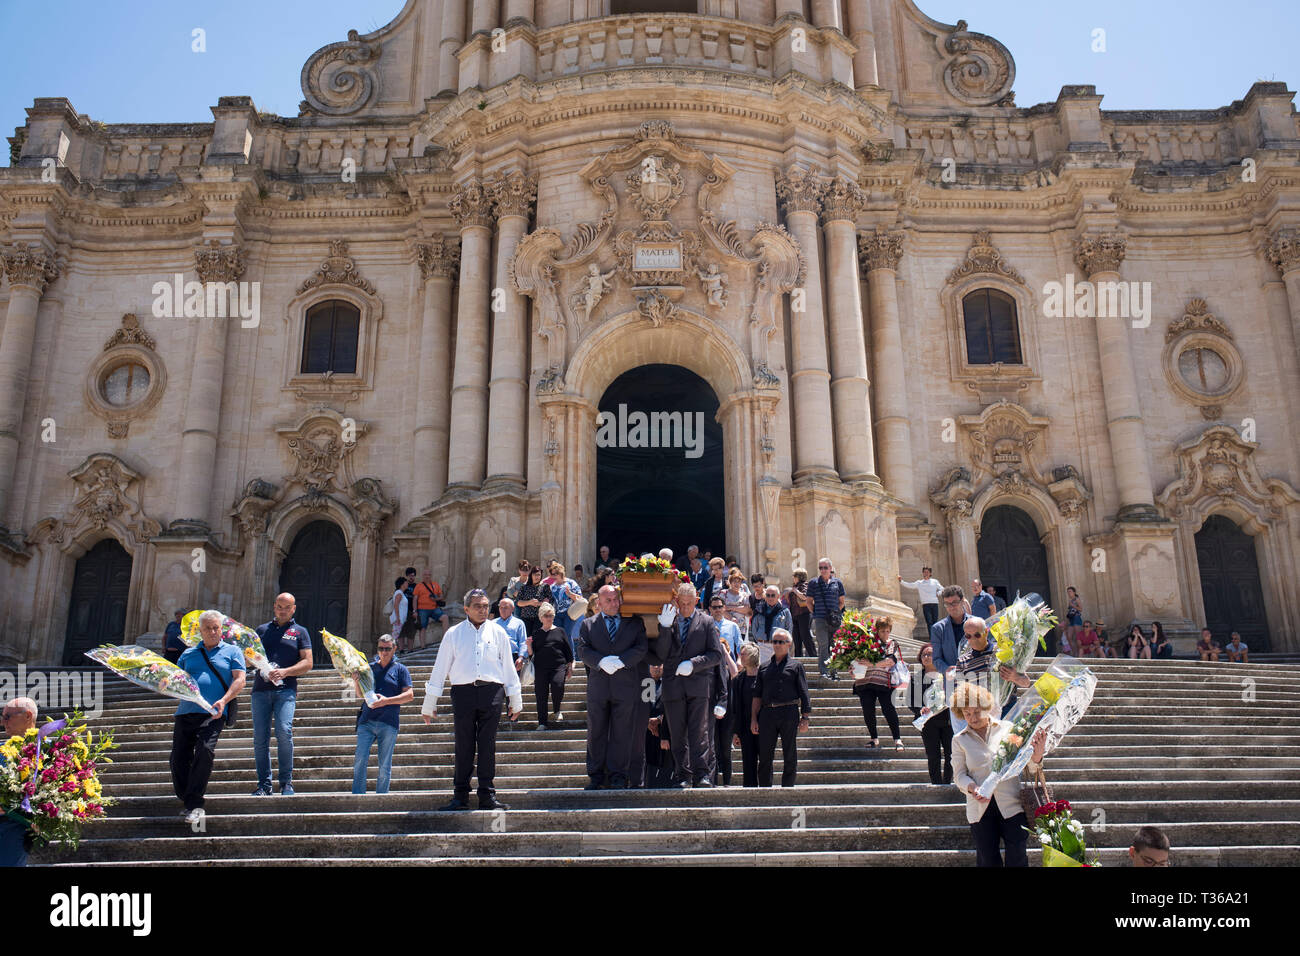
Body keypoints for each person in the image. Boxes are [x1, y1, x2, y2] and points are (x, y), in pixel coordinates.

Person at [421, 588, 523, 811]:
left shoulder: (498, 633)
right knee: (463, 744)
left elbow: (507, 667)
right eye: (477, 606)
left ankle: (487, 795)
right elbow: (440, 668)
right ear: (466, 608)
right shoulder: (453, 634)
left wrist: (515, 699)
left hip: (492, 692)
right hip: (463, 693)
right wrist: (430, 704)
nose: (483, 610)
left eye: (486, 606)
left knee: (488, 745)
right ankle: (460, 796)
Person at [950, 681, 1047, 867]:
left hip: (1012, 805)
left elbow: (1029, 767)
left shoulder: (1008, 729)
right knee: (987, 861)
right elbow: (959, 775)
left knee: (1018, 859)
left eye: (977, 711)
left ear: (987, 707)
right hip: (979, 809)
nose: (972, 717)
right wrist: (972, 788)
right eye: (967, 713)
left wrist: (1037, 755)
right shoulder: (958, 739)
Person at [172, 610, 246, 824]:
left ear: (221, 629)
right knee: (177, 760)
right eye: (208, 628)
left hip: (214, 713)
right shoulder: (188, 655)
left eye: (216, 628)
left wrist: (224, 700)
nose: (213, 632)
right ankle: (187, 799)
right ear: (200, 631)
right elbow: (177, 682)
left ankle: (195, 804)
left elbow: (240, 680)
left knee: (204, 751)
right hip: (186, 712)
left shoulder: (232, 651)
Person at [652, 582, 724, 788]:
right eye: (681, 604)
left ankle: (702, 774)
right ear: (676, 601)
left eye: (688, 604)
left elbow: (716, 654)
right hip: (674, 686)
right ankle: (682, 774)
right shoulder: (669, 621)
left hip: (698, 685)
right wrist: (664, 628)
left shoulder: (708, 622)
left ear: (696, 601)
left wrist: (693, 664)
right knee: (677, 733)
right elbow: (662, 653)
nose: (684, 608)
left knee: (699, 732)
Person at [578, 585, 648, 790]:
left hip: (625, 686)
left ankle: (618, 775)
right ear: (599, 602)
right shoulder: (588, 625)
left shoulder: (634, 623)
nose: (614, 603)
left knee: (622, 732)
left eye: (616, 599)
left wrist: (622, 661)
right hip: (599, 687)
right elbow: (582, 649)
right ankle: (596, 775)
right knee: (596, 732)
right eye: (608, 600)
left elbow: (641, 647)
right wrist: (600, 662)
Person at [251, 593, 313, 796]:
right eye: (279, 606)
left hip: (285, 690)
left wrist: (285, 672)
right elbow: (248, 658)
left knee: (284, 732)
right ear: (274, 607)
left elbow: (308, 662)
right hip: (260, 690)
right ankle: (264, 785)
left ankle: (286, 782)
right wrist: (254, 662)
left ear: (294, 608)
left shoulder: (300, 632)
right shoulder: (261, 630)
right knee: (260, 738)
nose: (283, 610)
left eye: (287, 607)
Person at [352, 634, 413, 794]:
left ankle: (382, 797)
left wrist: (387, 701)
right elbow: (360, 694)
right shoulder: (369, 668)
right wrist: (356, 681)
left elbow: (409, 695)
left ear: (394, 649)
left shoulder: (400, 670)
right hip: (367, 720)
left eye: (387, 649)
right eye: (381, 648)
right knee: (360, 759)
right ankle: (358, 795)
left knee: (385, 764)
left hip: (388, 722)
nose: (384, 652)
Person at [751, 628, 811, 787]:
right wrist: (753, 719)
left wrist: (805, 718)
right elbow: (757, 695)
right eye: (774, 641)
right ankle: (764, 788)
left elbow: (804, 692)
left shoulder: (796, 666)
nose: (776, 645)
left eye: (780, 642)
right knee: (764, 754)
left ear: (789, 644)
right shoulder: (763, 667)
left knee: (790, 753)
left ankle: (788, 787)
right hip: (767, 713)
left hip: (789, 712)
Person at [853, 617, 904, 751]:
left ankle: (897, 739)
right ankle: (873, 738)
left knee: (889, 709)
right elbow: (855, 658)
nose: (885, 634)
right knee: (868, 710)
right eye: (882, 631)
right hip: (864, 681)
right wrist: (852, 669)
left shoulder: (892, 643)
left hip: (884, 682)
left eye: (887, 631)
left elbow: (890, 660)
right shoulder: (866, 642)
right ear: (877, 631)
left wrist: (872, 664)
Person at [1, 697, 39, 865]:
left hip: (17, 829)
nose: (3, 722)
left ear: (28, 716)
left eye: (8, 716)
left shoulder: (50, 751)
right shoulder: (1, 750)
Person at [910, 644, 953, 785]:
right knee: (933, 754)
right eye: (924, 655)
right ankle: (936, 781)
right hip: (928, 722)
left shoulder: (946, 674)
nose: (927, 657)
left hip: (948, 720)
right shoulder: (917, 677)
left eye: (930, 654)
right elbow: (910, 699)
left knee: (951, 754)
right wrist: (919, 709)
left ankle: (948, 781)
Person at [529, 603, 572, 731]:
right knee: (541, 695)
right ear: (541, 617)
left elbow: (568, 651)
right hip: (541, 668)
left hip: (558, 666)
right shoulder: (536, 633)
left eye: (551, 615)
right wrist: (528, 646)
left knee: (558, 686)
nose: (549, 618)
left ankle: (557, 710)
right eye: (546, 616)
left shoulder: (560, 631)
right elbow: (532, 654)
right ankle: (542, 722)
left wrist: (570, 666)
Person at [807, 557, 846, 680]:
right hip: (820, 619)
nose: (823, 570)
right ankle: (824, 671)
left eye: (825, 567)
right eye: (820, 568)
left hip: (834, 620)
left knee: (834, 646)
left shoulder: (837, 583)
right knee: (823, 645)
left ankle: (834, 672)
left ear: (830, 568)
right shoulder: (814, 583)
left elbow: (842, 602)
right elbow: (808, 602)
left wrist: (836, 614)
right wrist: (816, 613)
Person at [728, 643, 762, 787]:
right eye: (740, 654)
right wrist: (735, 732)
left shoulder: (763, 676)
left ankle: (766, 788)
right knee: (748, 759)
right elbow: (735, 707)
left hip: (763, 725)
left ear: (752, 655)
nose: (740, 656)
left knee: (765, 760)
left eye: (743, 654)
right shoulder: (738, 680)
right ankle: (749, 788)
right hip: (745, 726)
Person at [643, 665, 675, 788]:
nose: (656, 668)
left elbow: (670, 706)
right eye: (652, 665)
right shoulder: (648, 683)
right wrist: (648, 722)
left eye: (659, 665)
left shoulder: (668, 682)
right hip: (649, 729)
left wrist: (659, 720)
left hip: (666, 727)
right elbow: (646, 706)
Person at [547, 562, 585, 659]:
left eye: (555, 574)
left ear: (561, 573)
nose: (553, 576)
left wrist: (570, 594)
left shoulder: (571, 583)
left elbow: (580, 598)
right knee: (558, 635)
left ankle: (570, 658)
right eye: (552, 574)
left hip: (570, 613)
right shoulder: (552, 587)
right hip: (557, 614)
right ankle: (559, 656)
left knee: (567, 633)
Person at [930, 585, 969, 675]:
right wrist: (946, 669)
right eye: (947, 604)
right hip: (952, 681)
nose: (951, 607)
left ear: (962, 601)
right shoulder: (937, 629)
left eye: (954, 602)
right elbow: (936, 659)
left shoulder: (976, 622)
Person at [750, 585, 793, 662]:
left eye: (773, 595)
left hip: (779, 645)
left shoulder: (784, 611)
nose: (770, 598)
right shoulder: (759, 610)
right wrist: (760, 640)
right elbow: (754, 628)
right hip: (763, 646)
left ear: (778, 596)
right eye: (768, 595)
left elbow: (789, 629)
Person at [785, 568, 816, 658]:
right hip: (795, 615)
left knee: (805, 636)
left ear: (799, 577)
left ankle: (813, 656)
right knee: (796, 638)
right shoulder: (795, 587)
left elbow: (805, 597)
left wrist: (795, 591)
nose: (793, 578)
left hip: (804, 614)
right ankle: (798, 658)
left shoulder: (805, 585)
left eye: (794, 576)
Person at [413, 569, 444, 649]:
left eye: (429, 575)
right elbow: (415, 599)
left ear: (431, 576)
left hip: (434, 608)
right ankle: (423, 646)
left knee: (445, 618)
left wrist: (436, 599)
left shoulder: (435, 585)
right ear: (423, 576)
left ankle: (445, 641)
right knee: (422, 627)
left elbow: (441, 596)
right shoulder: (419, 586)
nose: (427, 576)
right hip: (422, 609)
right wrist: (415, 611)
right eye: (425, 575)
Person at [515, 564, 547, 639]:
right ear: (531, 575)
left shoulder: (545, 587)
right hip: (526, 618)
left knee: (537, 639)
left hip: (539, 618)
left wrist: (538, 603)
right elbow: (518, 602)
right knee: (526, 639)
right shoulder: (524, 588)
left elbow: (549, 603)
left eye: (539, 575)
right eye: (535, 574)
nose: (537, 577)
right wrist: (530, 602)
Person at [721, 569, 751, 639]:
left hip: (741, 629)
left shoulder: (744, 595)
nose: (737, 584)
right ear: (730, 582)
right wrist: (731, 618)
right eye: (734, 582)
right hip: (726, 627)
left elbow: (746, 610)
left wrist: (730, 607)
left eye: (739, 582)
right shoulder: (723, 594)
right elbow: (721, 609)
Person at [387, 576, 409, 645]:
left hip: (400, 619)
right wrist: (398, 618)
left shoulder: (401, 593)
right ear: (402, 584)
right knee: (394, 637)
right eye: (406, 583)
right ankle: (388, 652)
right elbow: (396, 605)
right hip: (398, 619)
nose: (407, 584)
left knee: (395, 637)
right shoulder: (399, 593)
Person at [1064, 586, 1083, 653]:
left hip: (1076, 618)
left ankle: (1079, 652)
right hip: (1071, 619)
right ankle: (1075, 652)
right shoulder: (1070, 601)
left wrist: (1072, 605)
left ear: (1074, 592)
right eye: (1068, 592)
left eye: (1070, 592)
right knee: (1069, 636)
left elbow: (1081, 609)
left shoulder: (1077, 599)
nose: (1069, 593)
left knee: (1078, 637)